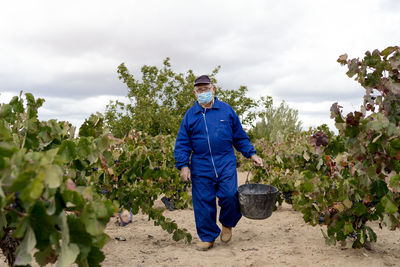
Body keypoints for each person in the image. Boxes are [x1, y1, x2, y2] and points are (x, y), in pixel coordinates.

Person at [174, 75, 262, 251]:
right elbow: (182, 143)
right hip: (200, 163)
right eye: (200, 90)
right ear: (195, 93)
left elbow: (239, 137)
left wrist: (251, 154)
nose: (203, 92)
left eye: (206, 89)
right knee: (203, 202)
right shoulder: (190, 116)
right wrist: (184, 165)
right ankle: (208, 238)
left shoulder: (226, 111)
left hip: (225, 160)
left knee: (229, 195)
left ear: (213, 89)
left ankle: (228, 224)